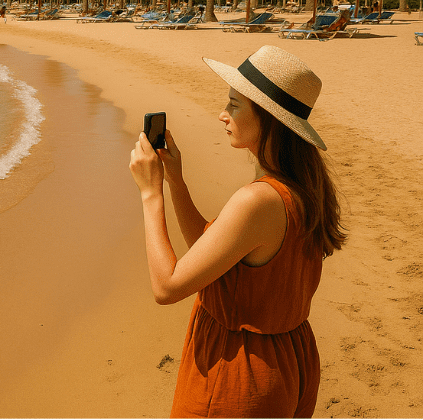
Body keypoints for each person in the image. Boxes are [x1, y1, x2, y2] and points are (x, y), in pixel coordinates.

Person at [128, 45, 344, 417]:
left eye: (234, 104)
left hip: (238, 372)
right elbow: (214, 259)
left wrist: (151, 194)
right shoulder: (302, 187)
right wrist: (175, 181)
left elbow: (167, 287)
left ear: (268, 118)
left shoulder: (257, 201)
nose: (222, 115)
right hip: (290, 359)